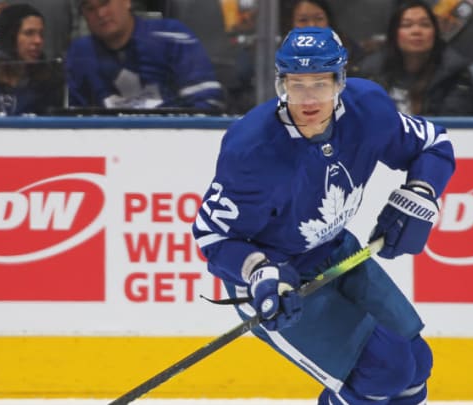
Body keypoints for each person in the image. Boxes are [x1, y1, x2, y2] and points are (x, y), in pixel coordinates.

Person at [192, 27, 455, 405]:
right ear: (281, 84)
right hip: (280, 277)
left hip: (335, 252)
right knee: (384, 371)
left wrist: (421, 193)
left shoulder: (368, 109)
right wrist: (261, 272)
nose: (309, 98)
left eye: (321, 83)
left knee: (415, 364)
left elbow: (433, 143)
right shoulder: (252, 148)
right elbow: (214, 238)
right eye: (296, 84)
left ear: (341, 80)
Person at [66, 0, 225, 111]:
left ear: (126, 1)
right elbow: (74, 116)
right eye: (90, 8)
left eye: (105, 2)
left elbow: (208, 102)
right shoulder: (79, 53)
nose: (100, 13)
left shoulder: (171, 36)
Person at [359, 0, 473, 116]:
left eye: (425, 25)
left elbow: (456, 124)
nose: (416, 31)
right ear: (393, 34)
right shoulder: (372, 72)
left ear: (435, 33)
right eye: (407, 25)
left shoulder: (454, 73)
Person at [281, 0, 367, 76]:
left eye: (319, 19)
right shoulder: (280, 53)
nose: (312, 25)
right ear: (290, 23)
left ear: (329, 20)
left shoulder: (348, 49)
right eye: (303, 20)